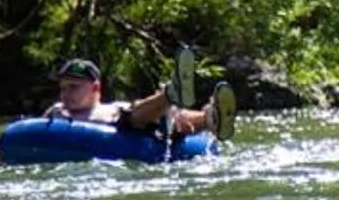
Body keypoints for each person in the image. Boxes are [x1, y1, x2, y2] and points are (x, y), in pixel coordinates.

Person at [43, 57, 238, 141]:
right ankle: (171, 94)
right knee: (134, 117)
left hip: (131, 130)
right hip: (121, 128)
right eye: (63, 88)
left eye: (74, 87)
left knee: (160, 117)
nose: (66, 94)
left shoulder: (113, 108)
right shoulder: (57, 113)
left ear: (96, 88)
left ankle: (210, 118)